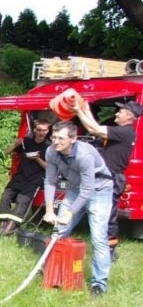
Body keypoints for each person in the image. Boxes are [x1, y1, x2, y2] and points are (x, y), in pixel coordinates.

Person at [43, 120, 114, 296]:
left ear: (73, 139)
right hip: (75, 190)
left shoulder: (84, 155)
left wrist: (70, 212)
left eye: (61, 138)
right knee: (58, 232)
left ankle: (99, 284)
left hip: (99, 190)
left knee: (98, 238)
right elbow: (50, 181)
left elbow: (88, 189)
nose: (55, 141)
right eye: (53, 137)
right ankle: (50, 270)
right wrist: (49, 210)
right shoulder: (51, 152)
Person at [76, 100, 140, 260]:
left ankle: (110, 252)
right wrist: (84, 109)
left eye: (121, 111)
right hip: (106, 177)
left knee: (108, 217)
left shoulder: (125, 132)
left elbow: (94, 129)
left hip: (112, 178)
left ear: (129, 116)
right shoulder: (121, 130)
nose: (116, 113)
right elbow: (95, 127)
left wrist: (79, 111)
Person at [0, 119, 51, 235]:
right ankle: (2, 224)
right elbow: (5, 152)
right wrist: (15, 144)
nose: (41, 133)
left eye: (44, 130)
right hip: (19, 176)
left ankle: (10, 228)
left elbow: (48, 167)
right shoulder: (26, 141)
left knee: (22, 202)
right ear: (34, 130)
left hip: (34, 179)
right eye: (39, 130)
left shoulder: (49, 147)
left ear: (48, 130)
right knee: (5, 197)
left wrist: (37, 158)